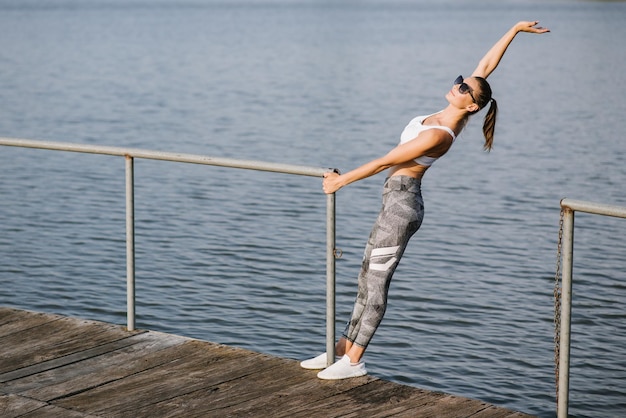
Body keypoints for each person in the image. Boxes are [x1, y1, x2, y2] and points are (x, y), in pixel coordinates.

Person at [300, 21, 550, 380]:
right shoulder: (450, 110)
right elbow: (486, 66)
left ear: (472, 106)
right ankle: (338, 351)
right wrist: (514, 30)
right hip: (393, 202)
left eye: (463, 87)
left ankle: (354, 361)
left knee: (377, 284)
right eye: (460, 80)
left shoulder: (440, 133)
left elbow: (387, 160)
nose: (457, 84)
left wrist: (341, 181)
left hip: (402, 207)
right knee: (364, 278)